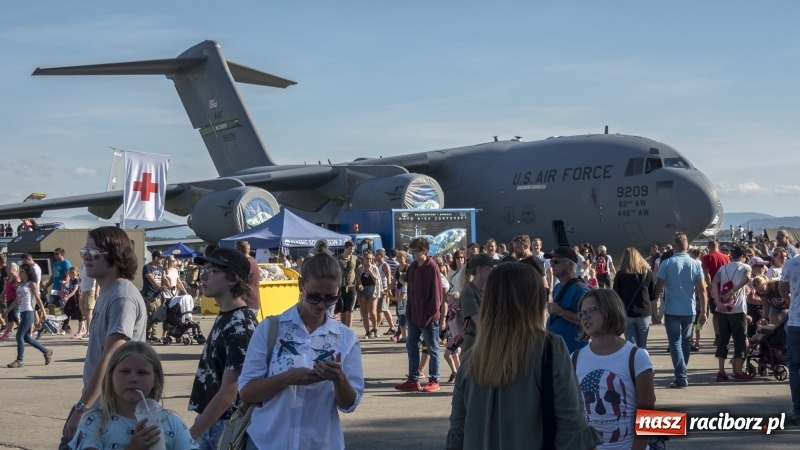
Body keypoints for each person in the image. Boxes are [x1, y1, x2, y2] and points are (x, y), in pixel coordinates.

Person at [447, 263, 602, 450]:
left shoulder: (471, 359)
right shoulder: (550, 348)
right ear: (533, 301)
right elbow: (572, 422)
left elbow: (457, 429)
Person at [239, 240, 364, 449]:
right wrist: (287, 378)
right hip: (267, 442)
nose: (322, 305)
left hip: (320, 442)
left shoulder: (346, 338)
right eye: (314, 296)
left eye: (331, 298)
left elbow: (349, 405)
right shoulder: (270, 329)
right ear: (301, 286)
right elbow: (246, 392)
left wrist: (339, 378)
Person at [62, 226, 148, 444]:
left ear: (115, 256)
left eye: (94, 253)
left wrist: (82, 407)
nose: (86, 258)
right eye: (85, 252)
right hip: (99, 403)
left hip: (110, 408)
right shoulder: (108, 293)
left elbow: (111, 356)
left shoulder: (122, 297)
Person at [188, 247, 258, 448]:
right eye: (203, 271)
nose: (203, 276)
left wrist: (193, 433)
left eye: (211, 271)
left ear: (233, 279)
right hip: (212, 420)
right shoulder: (227, 316)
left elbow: (230, 389)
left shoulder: (240, 325)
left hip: (225, 424)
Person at [69, 341, 198, 449]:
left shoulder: (171, 422)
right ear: (110, 377)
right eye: (125, 371)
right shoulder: (94, 422)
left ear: (156, 379)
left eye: (142, 373)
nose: (133, 379)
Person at [573, 289, 656, 450]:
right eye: (582, 313)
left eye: (592, 310)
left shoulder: (636, 357)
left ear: (610, 310)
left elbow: (647, 414)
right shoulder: (574, 359)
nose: (585, 317)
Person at [654, 232, 706, 389]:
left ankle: (681, 375)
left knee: (675, 342)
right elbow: (702, 289)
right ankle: (682, 373)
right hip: (689, 309)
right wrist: (704, 311)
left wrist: (654, 307)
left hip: (672, 309)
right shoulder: (696, 264)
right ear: (688, 246)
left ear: (674, 246)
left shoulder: (667, 263)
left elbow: (658, 286)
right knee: (685, 342)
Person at [395, 237, 443, 393]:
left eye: (415, 252)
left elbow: (436, 298)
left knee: (432, 348)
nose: (412, 255)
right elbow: (408, 288)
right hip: (414, 316)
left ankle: (434, 380)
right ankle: (413, 379)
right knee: (411, 346)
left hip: (428, 318)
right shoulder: (413, 267)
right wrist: (409, 313)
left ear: (423, 251)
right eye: (412, 252)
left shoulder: (433, 268)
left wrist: (428, 316)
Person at [712, 245, 753, 382]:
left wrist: (717, 301)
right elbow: (746, 279)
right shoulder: (746, 267)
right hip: (738, 309)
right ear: (743, 256)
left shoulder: (723, 268)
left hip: (723, 309)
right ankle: (738, 372)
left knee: (723, 340)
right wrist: (733, 291)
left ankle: (721, 371)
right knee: (739, 340)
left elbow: (714, 283)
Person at [4, 263, 53, 368]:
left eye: (22, 271)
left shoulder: (31, 284)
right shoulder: (21, 284)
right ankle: (46, 351)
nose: (20, 273)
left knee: (19, 336)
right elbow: (17, 300)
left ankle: (19, 360)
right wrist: (7, 311)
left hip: (29, 312)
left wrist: (44, 313)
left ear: (27, 272)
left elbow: (38, 299)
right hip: (23, 313)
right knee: (26, 338)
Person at [545, 246, 590, 353]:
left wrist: (561, 312)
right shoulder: (558, 287)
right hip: (558, 350)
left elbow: (587, 320)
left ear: (570, 265)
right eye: (551, 262)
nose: (552, 265)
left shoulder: (581, 290)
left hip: (574, 351)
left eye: (556, 261)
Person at [612, 247, 657, 350]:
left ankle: (632, 364)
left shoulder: (620, 274)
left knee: (631, 346)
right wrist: (655, 313)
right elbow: (652, 296)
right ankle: (643, 364)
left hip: (627, 312)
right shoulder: (647, 273)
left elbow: (615, 296)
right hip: (644, 312)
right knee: (643, 345)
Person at [458, 253, 496, 355]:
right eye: (490, 267)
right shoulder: (468, 292)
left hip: (488, 344)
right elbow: (480, 321)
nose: (493, 270)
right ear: (480, 269)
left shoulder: (491, 290)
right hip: (473, 346)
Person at [778, 251, 800, 425]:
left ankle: (798, 409)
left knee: (795, 366)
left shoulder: (791, 264)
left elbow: (783, 287)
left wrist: (790, 300)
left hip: (796, 320)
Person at [142, 250, 166, 343]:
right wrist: (159, 287)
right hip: (149, 295)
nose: (162, 259)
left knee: (157, 316)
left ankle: (154, 335)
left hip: (158, 295)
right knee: (151, 315)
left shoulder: (160, 268)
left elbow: (164, 278)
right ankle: (147, 334)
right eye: (161, 257)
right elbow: (150, 278)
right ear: (156, 257)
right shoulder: (147, 267)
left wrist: (169, 286)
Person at [356, 250, 381, 339]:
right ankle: (367, 331)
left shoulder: (374, 268)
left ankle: (375, 328)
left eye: (370, 258)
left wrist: (370, 272)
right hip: (363, 290)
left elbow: (377, 280)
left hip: (372, 290)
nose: (369, 260)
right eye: (367, 258)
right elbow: (357, 278)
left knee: (373, 312)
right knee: (364, 312)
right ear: (364, 259)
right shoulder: (359, 269)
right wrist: (359, 284)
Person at [234, 240, 262, 317]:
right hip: (253, 302)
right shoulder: (253, 261)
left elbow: (239, 281)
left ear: (239, 250)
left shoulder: (246, 263)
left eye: (235, 250)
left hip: (247, 303)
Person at [44, 247, 73, 317]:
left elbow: (68, 276)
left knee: (63, 307)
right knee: (51, 305)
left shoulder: (66, 263)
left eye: (57, 254)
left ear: (62, 254)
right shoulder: (54, 264)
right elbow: (53, 276)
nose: (55, 255)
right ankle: (54, 320)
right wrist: (46, 286)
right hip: (55, 288)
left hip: (63, 289)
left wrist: (64, 287)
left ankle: (65, 324)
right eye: (54, 254)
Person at [338, 241, 360, 329]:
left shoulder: (355, 258)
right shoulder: (338, 259)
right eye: (350, 249)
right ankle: (343, 328)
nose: (351, 251)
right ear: (345, 248)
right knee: (343, 309)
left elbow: (356, 272)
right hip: (341, 286)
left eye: (353, 249)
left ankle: (349, 329)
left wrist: (360, 283)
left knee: (350, 309)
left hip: (352, 286)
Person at [78, 263, 98, 341]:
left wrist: (96, 291)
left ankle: (89, 332)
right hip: (83, 290)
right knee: (83, 312)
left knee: (89, 311)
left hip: (91, 290)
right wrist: (80, 290)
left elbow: (97, 279)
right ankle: (88, 330)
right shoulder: (83, 265)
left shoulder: (92, 264)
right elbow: (82, 279)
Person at [0, 263, 20, 340]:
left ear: (15, 269)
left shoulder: (16, 278)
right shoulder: (8, 278)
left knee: (11, 315)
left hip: (14, 299)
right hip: (8, 298)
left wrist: (16, 282)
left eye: (11, 268)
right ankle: (24, 329)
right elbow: (5, 290)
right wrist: (1, 297)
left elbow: (18, 287)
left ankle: (7, 333)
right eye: (9, 268)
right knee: (14, 316)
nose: (9, 269)